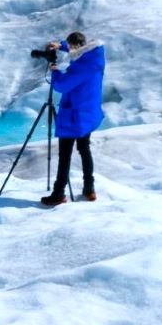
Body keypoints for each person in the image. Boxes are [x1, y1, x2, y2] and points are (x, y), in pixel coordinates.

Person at [41, 31, 105, 207]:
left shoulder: (82, 66)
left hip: (75, 115)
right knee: (84, 149)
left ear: (76, 46)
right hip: (88, 113)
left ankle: (58, 193)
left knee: (65, 155)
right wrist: (61, 46)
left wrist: (54, 70)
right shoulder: (94, 55)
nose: (69, 51)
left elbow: (62, 85)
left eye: (69, 47)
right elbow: (76, 50)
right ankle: (89, 188)